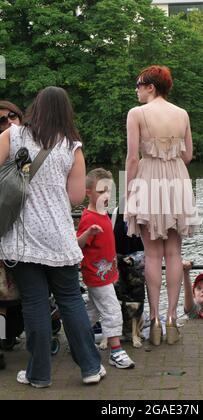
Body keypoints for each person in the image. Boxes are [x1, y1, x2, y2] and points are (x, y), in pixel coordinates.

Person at [0, 86, 104, 387]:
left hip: (23, 237)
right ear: (65, 112)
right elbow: (74, 198)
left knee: (34, 303)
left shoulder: (15, 135)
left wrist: (20, 173)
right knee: (70, 299)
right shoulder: (71, 145)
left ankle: (39, 374)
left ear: (35, 108)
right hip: (59, 235)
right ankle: (90, 367)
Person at [125, 65, 200, 346]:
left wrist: (128, 192)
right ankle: (172, 319)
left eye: (139, 84)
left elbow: (132, 158)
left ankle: (154, 321)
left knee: (152, 255)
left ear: (151, 87)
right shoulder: (182, 114)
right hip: (176, 180)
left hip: (148, 178)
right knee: (174, 253)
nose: (137, 89)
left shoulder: (137, 114)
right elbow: (188, 155)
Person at [77, 168, 135, 369]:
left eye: (109, 191)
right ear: (89, 193)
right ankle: (116, 352)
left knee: (92, 312)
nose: (106, 195)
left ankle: (78, 339)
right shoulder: (89, 218)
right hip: (96, 275)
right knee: (112, 310)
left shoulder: (104, 214)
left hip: (106, 273)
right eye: (101, 191)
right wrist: (89, 233)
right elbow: (78, 245)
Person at [0, 100, 23, 369]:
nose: (6, 122)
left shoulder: (26, 148)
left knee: (5, 297)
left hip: (16, 234)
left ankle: (5, 339)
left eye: (11, 117)